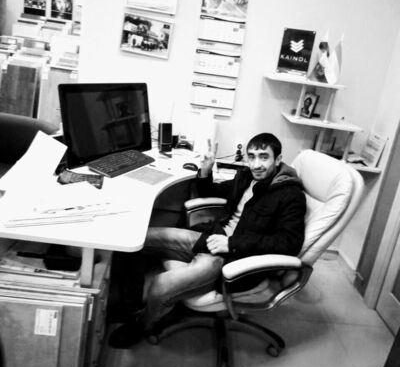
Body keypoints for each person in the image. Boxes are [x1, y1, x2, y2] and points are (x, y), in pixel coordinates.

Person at [108, 132, 306, 348]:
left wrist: (232, 244)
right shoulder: (246, 176)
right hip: (211, 238)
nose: (256, 164)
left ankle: (142, 325)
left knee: (160, 285)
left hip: (231, 260)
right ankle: (130, 307)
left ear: (278, 159)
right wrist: (205, 170)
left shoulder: (290, 195)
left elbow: (289, 243)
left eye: (264, 157)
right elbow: (213, 191)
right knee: (137, 239)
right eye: (252, 157)